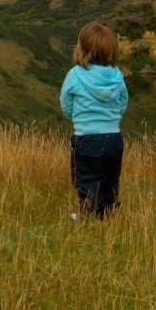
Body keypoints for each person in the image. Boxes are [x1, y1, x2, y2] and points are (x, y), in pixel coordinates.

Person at [60, 20, 128, 220]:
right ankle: (108, 211)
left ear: (83, 48)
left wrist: (76, 118)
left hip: (86, 138)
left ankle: (89, 215)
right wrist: (112, 119)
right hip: (114, 138)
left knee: (87, 179)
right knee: (110, 177)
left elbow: (66, 104)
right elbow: (123, 101)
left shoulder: (75, 75)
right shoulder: (117, 76)